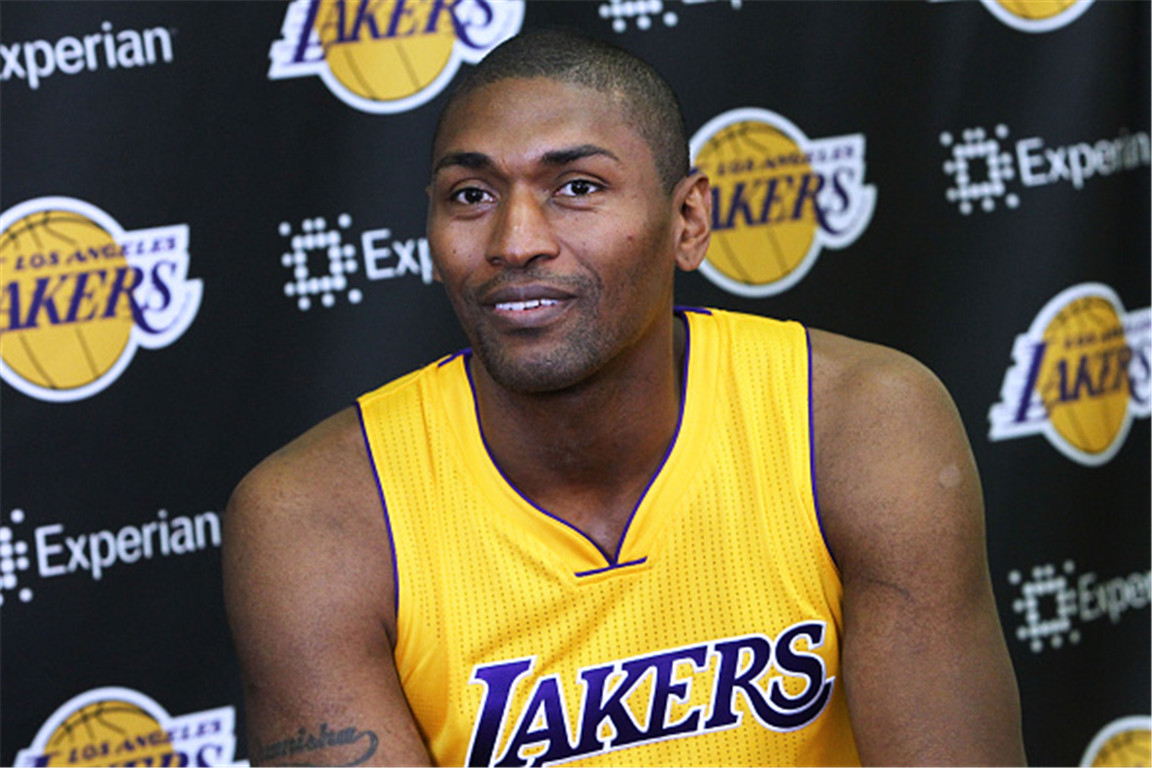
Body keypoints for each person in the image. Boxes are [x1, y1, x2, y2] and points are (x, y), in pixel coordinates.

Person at [223, 28, 1026, 767]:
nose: (515, 241)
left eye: (576, 187)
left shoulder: (860, 423)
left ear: (688, 219)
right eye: (470, 196)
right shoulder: (318, 518)